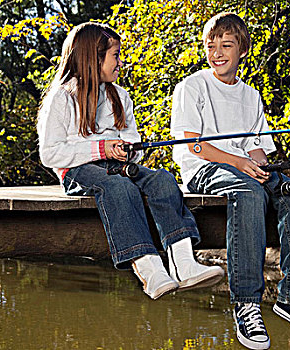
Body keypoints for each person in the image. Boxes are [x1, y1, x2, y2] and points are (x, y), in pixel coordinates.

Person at [170, 12, 290, 349]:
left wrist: (266, 169)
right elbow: (192, 144)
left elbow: (257, 151)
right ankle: (246, 302)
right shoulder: (193, 86)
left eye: (226, 45)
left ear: (242, 49)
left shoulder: (250, 96)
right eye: (210, 45)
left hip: (242, 168)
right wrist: (241, 164)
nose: (217, 52)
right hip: (204, 169)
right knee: (248, 193)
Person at [37, 22, 224, 300]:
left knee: (162, 179)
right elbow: (50, 153)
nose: (120, 62)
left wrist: (128, 151)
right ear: (94, 57)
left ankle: (183, 264)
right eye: (115, 55)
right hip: (78, 171)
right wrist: (101, 148)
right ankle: (149, 270)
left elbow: (132, 141)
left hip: (117, 167)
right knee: (119, 188)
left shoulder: (119, 96)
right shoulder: (62, 97)